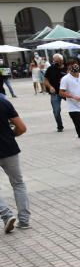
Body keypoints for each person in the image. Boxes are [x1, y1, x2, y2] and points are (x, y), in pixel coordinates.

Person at [0, 92, 29, 233]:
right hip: (8, 148)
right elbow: (22, 127)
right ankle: (24, 220)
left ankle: (6, 215)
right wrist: (11, 135)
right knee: (18, 183)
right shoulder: (3, 102)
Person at [59, 58, 80, 148]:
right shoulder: (65, 79)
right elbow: (61, 92)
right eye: (71, 64)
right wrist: (73, 96)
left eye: (75, 64)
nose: (74, 66)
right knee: (78, 124)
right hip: (73, 106)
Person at [43, 54, 66, 132]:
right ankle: (60, 126)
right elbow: (45, 80)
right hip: (55, 92)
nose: (55, 62)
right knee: (56, 111)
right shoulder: (50, 68)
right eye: (54, 60)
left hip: (66, 92)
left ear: (62, 60)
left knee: (76, 108)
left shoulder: (67, 68)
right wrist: (50, 87)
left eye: (57, 60)